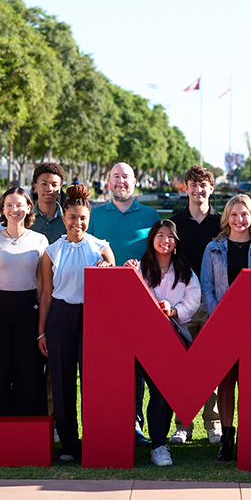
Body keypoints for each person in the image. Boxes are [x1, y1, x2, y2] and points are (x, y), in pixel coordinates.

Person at [38, 184, 114, 461]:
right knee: (61, 381)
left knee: (93, 382)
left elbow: (112, 291)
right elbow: (46, 295)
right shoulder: (51, 252)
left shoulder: (101, 248)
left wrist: (108, 270)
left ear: (89, 218)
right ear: (64, 216)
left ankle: (96, 440)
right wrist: (41, 332)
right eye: (72, 217)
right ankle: (69, 444)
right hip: (60, 317)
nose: (77, 223)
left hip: (92, 319)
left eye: (83, 218)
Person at [89, 161, 160, 444]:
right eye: (116, 176)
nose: (121, 181)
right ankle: (108, 423)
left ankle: (135, 425)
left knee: (139, 367)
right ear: (108, 181)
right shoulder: (95, 215)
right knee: (107, 366)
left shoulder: (150, 214)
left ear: (134, 182)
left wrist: (141, 266)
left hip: (142, 300)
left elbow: (160, 254)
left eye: (126, 177)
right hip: (103, 303)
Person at [200, 194, 251, 461]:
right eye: (234, 214)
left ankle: (248, 435)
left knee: (250, 383)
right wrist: (220, 317)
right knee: (226, 382)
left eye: (244, 214)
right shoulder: (214, 248)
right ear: (226, 218)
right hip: (223, 326)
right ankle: (228, 438)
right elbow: (207, 287)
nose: (239, 219)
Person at [125, 220, 202, 466]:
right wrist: (129, 272)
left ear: (176, 243)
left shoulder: (185, 272)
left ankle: (159, 445)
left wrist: (175, 310)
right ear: (152, 239)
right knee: (132, 388)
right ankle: (129, 435)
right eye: (160, 235)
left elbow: (194, 298)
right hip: (141, 341)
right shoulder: (140, 268)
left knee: (162, 392)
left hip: (170, 340)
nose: (165, 240)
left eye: (170, 236)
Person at [0, 187, 48, 417]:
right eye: (9, 205)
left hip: (29, 308)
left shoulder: (40, 240)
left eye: (19, 205)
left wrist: (41, 328)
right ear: (3, 209)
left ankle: (28, 426)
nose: (14, 209)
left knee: (28, 369)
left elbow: (44, 285)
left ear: (28, 208)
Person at [168, 165, 222, 444]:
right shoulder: (175, 223)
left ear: (211, 189)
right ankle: (183, 424)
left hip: (213, 302)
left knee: (211, 365)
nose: (198, 190)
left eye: (204, 185)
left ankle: (213, 424)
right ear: (185, 187)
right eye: (193, 185)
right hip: (183, 302)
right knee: (184, 365)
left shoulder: (223, 223)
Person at [30, 162, 66, 245]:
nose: (49, 189)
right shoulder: (25, 220)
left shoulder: (69, 221)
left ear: (60, 188)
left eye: (54, 185)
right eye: (44, 184)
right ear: (36, 187)